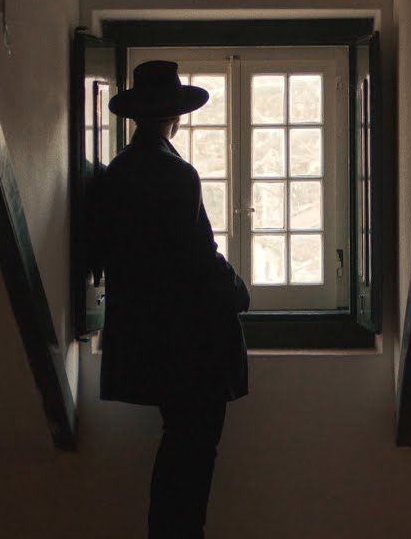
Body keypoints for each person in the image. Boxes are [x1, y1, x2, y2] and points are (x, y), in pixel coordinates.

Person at [91, 60, 249, 539]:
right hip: (189, 340)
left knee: (182, 449)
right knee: (193, 453)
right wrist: (237, 291)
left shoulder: (119, 171)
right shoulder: (175, 172)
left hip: (149, 335)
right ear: (176, 116)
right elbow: (197, 253)